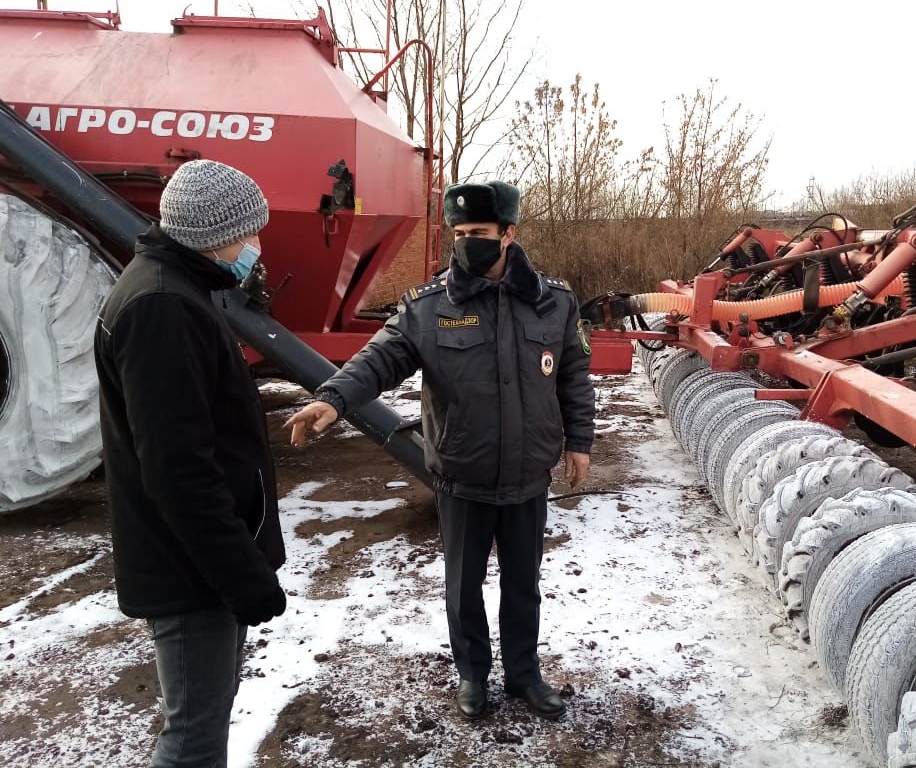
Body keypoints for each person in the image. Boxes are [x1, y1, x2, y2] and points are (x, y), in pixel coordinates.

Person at [285, 180, 595, 721]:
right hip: (463, 476)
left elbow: (572, 376)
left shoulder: (553, 303)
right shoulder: (429, 308)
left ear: (508, 234)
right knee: (463, 589)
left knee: (524, 585)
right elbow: (378, 359)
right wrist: (333, 400)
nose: (466, 242)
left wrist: (580, 442)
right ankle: (473, 675)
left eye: (477, 233)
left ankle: (524, 673)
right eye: (459, 233)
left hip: (527, 475)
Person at [94, 159, 287, 767]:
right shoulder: (161, 308)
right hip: (192, 572)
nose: (256, 246)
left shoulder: (175, 289)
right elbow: (179, 472)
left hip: (200, 563)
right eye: (249, 233)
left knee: (203, 718)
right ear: (212, 233)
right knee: (193, 739)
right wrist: (242, 576)